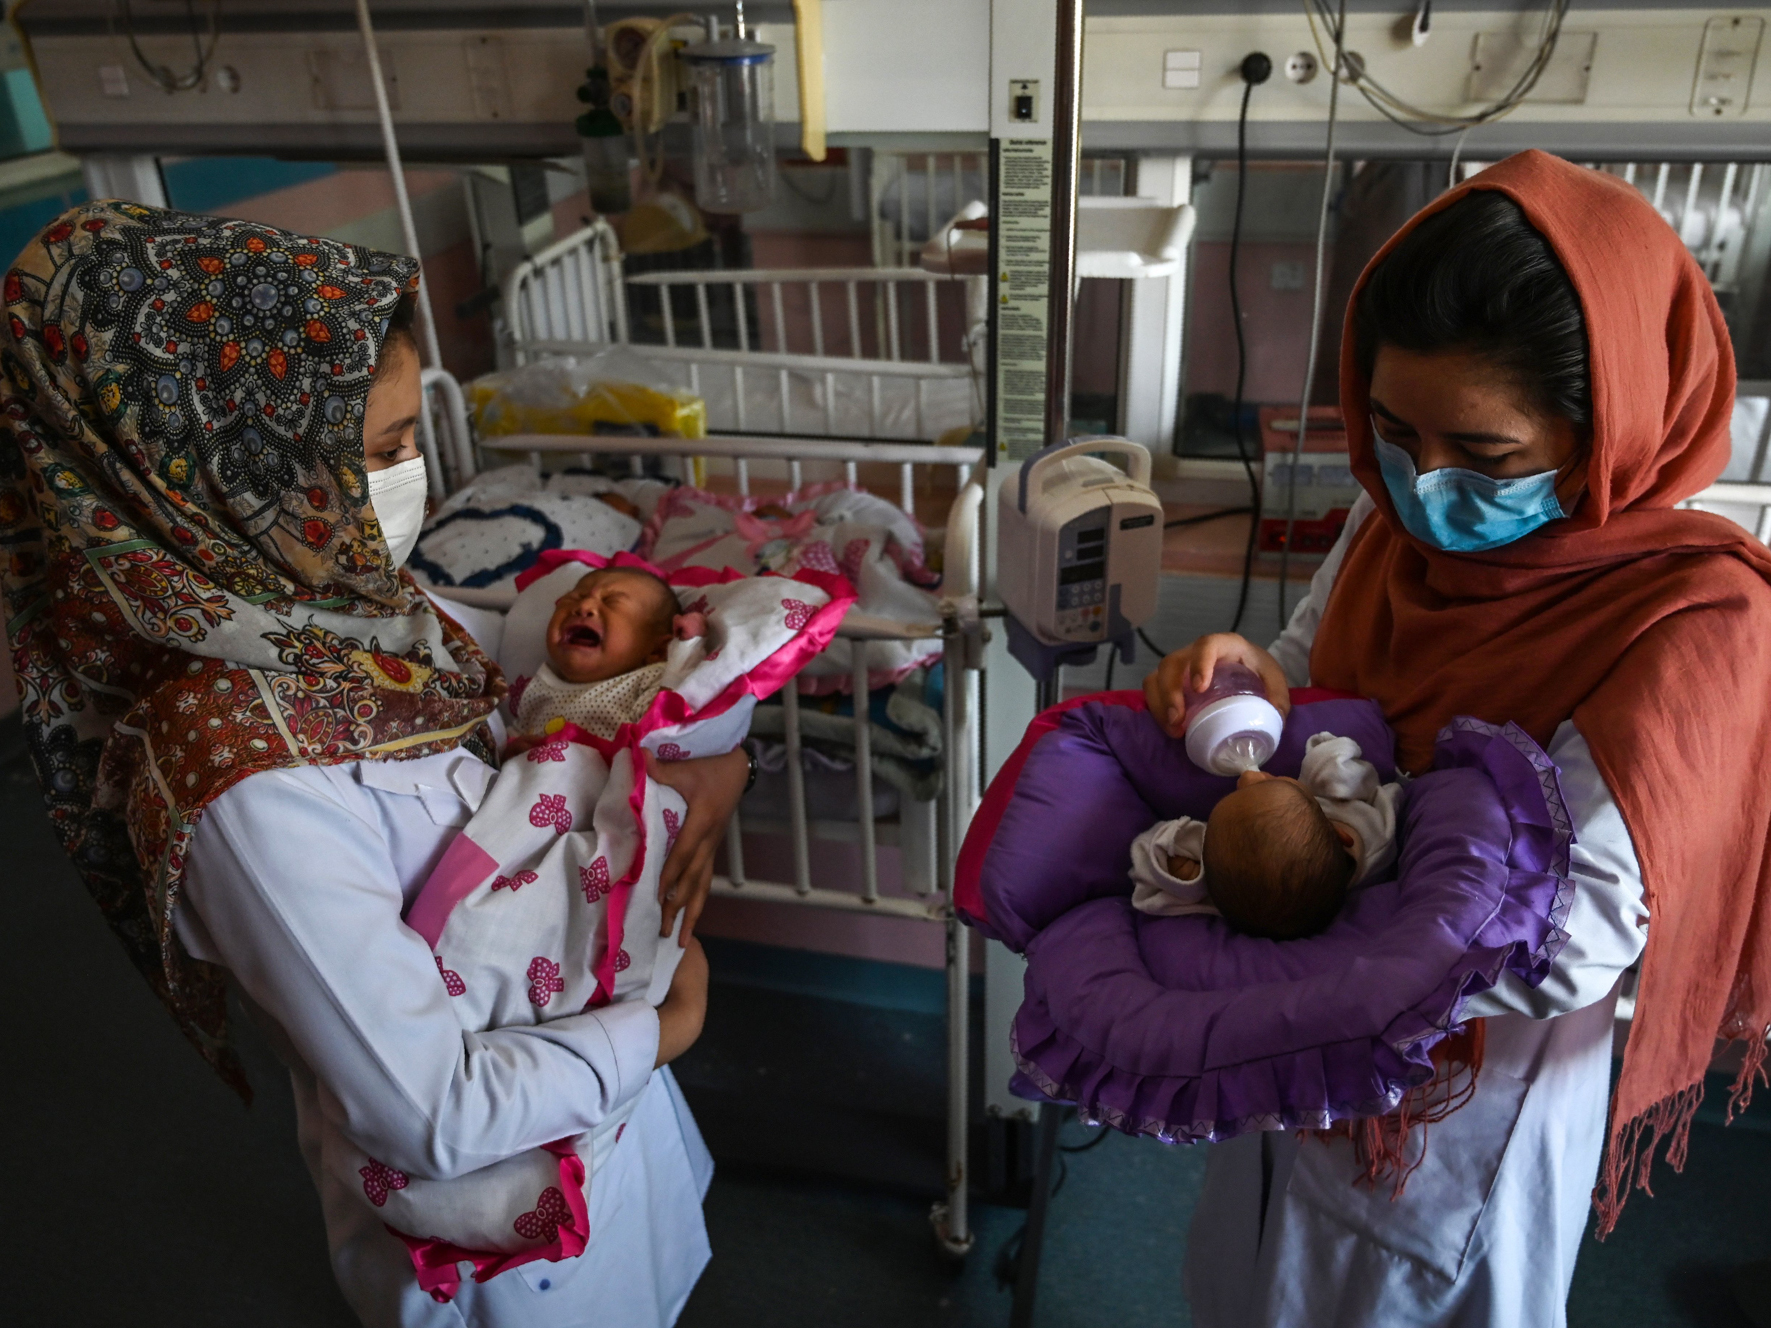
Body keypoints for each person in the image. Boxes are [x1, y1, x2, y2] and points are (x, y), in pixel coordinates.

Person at [0, 201, 750, 1327]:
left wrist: (714, 771)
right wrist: (663, 1028)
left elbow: (586, 665)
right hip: (495, 1219)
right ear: (216, 468)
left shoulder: (357, 607)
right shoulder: (239, 779)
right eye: (379, 453)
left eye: (408, 443)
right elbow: (430, 1110)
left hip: (607, 1119)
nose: (406, 482)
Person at [1145, 151, 1771, 1326]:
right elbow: (1311, 658)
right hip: (1298, 1033)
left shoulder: (1696, 621)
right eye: (1390, 427)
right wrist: (1255, 683)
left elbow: (1565, 938)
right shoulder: (1398, 531)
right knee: (1242, 1286)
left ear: (1606, 430)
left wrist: (1299, 858)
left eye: (1483, 458)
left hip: (1455, 1105)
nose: (1424, 482)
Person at [1129, 732, 1400, 939]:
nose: (1247, 778)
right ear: (1339, 833)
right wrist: (1325, 758)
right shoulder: (1371, 837)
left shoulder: (1231, 884)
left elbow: (1146, 856)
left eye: (1237, 794)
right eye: (1273, 784)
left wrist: (1187, 880)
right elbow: (1368, 779)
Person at [510, 565, 707, 746]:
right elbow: (509, 737)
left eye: (611, 602)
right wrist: (510, 750)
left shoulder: (645, 681)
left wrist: (687, 645)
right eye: (575, 597)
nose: (584, 606)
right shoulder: (539, 688)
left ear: (657, 650)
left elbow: (668, 715)